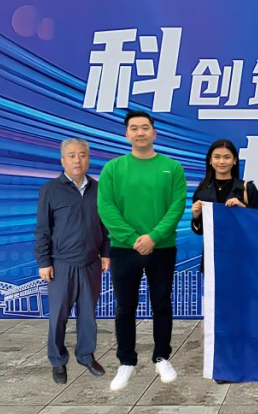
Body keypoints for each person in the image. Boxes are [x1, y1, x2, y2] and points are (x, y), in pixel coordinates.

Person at [97, 110, 187, 391]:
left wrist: (154, 237)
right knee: (125, 307)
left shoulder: (172, 168)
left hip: (162, 248)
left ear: (154, 133)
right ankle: (126, 361)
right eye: (134, 128)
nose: (140, 132)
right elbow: (106, 207)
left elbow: (177, 207)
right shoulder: (113, 168)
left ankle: (162, 357)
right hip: (124, 249)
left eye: (145, 127)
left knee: (161, 304)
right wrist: (134, 238)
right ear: (126, 134)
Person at [34, 137, 110, 384]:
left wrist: (106, 253)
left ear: (88, 159)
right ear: (63, 160)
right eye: (72, 155)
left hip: (91, 263)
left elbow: (106, 225)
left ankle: (86, 355)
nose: (78, 160)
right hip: (61, 264)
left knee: (88, 314)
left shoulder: (100, 189)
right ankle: (58, 361)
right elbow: (43, 229)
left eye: (82, 155)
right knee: (58, 316)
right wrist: (44, 262)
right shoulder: (50, 190)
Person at [191, 139, 258, 239]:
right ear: (210, 160)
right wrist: (196, 217)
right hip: (213, 248)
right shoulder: (202, 190)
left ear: (234, 160)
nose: (221, 161)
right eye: (217, 157)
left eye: (227, 157)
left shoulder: (247, 188)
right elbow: (199, 231)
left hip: (241, 246)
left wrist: (243, 209)